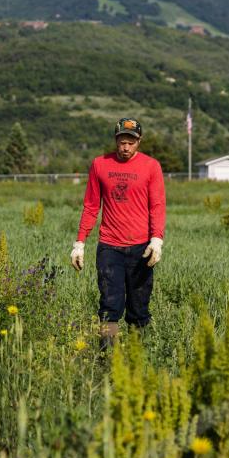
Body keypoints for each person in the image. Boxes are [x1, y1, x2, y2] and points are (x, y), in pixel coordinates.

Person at [70, 117, 166, 350]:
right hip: (109, 247)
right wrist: (80, 242)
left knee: (139, 307)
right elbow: (92, 205)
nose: (125, 147)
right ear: (116, 140)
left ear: (139, 142)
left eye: (131, 142)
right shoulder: (100, 164)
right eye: (122, 142)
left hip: (141, 248)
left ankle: (136, 356)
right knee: (110, 306)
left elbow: (157, 205)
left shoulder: (151, 166)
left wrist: (156, 239)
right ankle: (106, 357)